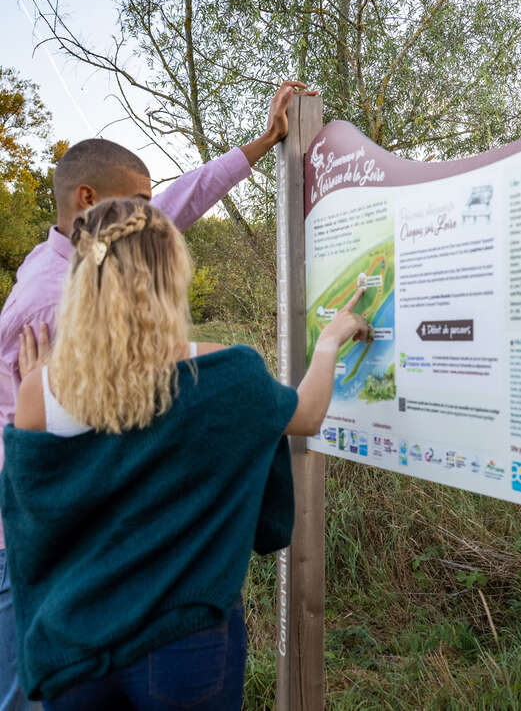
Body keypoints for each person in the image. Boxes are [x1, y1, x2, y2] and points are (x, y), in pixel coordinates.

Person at [0, 80, 317, 711]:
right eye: (139, 202)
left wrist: (258, 145)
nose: (155, 213)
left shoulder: (97, 254)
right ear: (90, 200)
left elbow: (180, 200)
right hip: (58, 557)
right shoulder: (46, 299)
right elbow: (64, 453)